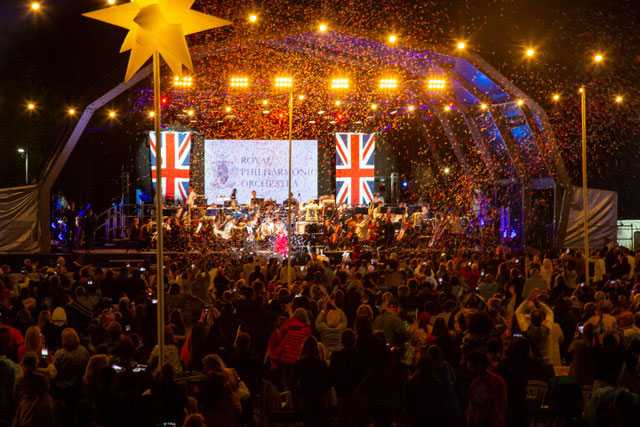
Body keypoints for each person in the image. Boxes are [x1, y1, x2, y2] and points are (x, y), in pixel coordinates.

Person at [293, 336, 331, 427]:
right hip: (319, 398)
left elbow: (293, 382)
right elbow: (328, 381)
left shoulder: (300, 364)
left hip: (306, 398)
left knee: (308, 421)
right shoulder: (322, 364)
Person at [466, 351, 507, 427]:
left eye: (471, 366)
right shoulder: (497, 380)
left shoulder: (494, 382)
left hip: (491, 421)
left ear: (479, 365)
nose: (469, 369)